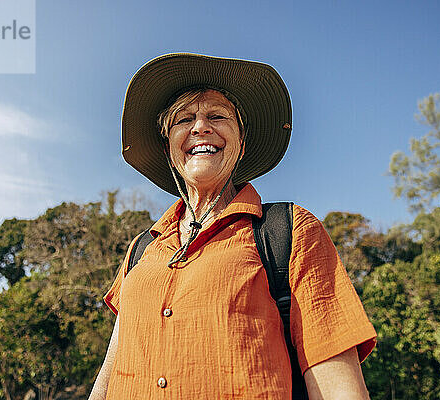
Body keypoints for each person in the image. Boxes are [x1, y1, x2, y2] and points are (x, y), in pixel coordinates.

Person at [88, 53, 376, 399]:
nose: (200, 127)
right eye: (184, 119)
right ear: (169, 147)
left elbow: (338, 390)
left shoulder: (290, 231)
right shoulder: (140, 251)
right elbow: (112, 369)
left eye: (217, 116)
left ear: (241, 145)